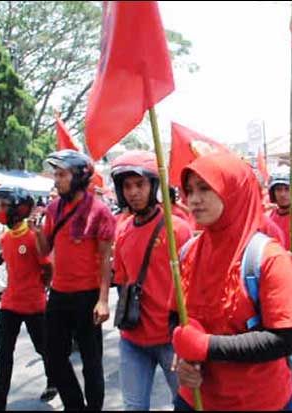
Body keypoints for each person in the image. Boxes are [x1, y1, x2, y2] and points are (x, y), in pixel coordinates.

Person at [170, 153, 292, 411]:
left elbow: (284, 339)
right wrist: (184, 349)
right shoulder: (187, 253)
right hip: (196, 399)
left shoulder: (268, 257)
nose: (193, 199)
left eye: (205, 188)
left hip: (260, 402)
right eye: (189, 190)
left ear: (233, 191)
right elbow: (175, 316)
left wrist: (206, 346)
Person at [29, 149, 116, 411]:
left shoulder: (100, 211)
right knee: (54, 357)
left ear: (79, 176)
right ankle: (75, 406)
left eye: (62, 174)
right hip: (58, 294)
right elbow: (45, 251)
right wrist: (35, 232)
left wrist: (102, 301)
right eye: (55, 174)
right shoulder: (54, 208)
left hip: (87, 296)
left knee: (91, 362)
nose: (56, 180)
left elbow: (105, 261)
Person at [111, 151, 192, 410]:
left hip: (171, 339)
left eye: (140, 184)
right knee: (133, 407)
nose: (133, 192)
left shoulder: (177, 228)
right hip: (132, 338)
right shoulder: (122, 230)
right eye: (127, 186)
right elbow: (122, 280)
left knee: (186, 404)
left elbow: (192, 286)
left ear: (153, 185)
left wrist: (188, 339)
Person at [0, 185, 57, 410]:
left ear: (18, 208)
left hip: (33, 304)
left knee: (43, 348)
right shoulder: (5, 239)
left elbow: (48, 268)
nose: (0, 210)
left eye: (4, 205)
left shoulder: (34, 236)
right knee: (4, 353)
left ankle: (54, 382)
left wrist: (40, 287)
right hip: (9, 304)